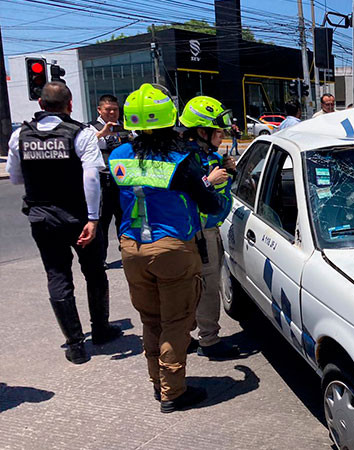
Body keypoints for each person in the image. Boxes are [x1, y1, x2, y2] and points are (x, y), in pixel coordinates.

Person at [109, 83, 228, 412]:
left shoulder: (118, 156)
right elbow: (208, 203)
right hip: (172, 247)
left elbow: (113, 200)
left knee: (151, 319)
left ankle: (157, 380)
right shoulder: (180, 159)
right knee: (176, 322)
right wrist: (214, 190)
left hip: (131, 247)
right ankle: (173, 392)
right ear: (169, 120)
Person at [5, 82, 123, 364]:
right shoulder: (81, 134)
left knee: (57, 276)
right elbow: (92, 178)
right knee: (94, 271)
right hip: (78, 216)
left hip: (42, 217)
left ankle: (75, 345)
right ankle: (101, 329)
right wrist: (94, 219)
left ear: (41, 105)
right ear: (69, 105)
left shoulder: (20, 135)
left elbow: (15, 178)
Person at [177, 96, 240, 359]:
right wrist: (209, 181)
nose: (222, 134)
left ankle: (184, 335)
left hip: (197, 231)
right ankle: (209, 340)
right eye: (218, 131)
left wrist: (227, 172)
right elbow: (194, 195)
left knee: (191, 287)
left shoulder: (206, 156)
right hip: (200, 232)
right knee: (207, 286)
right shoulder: (188, 161)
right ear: (202, 132)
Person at [89, 94, 133, 267]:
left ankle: (128, 255)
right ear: (99, 110)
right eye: (108, 109)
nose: (112, 112)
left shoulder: (126, 127)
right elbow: (85, 146)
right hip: (103, 183)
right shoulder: (91, 129)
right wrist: (102, 133)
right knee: (102, 222)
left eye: (115, 109)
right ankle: (100, 259)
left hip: (124, 183)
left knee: (125, 220)